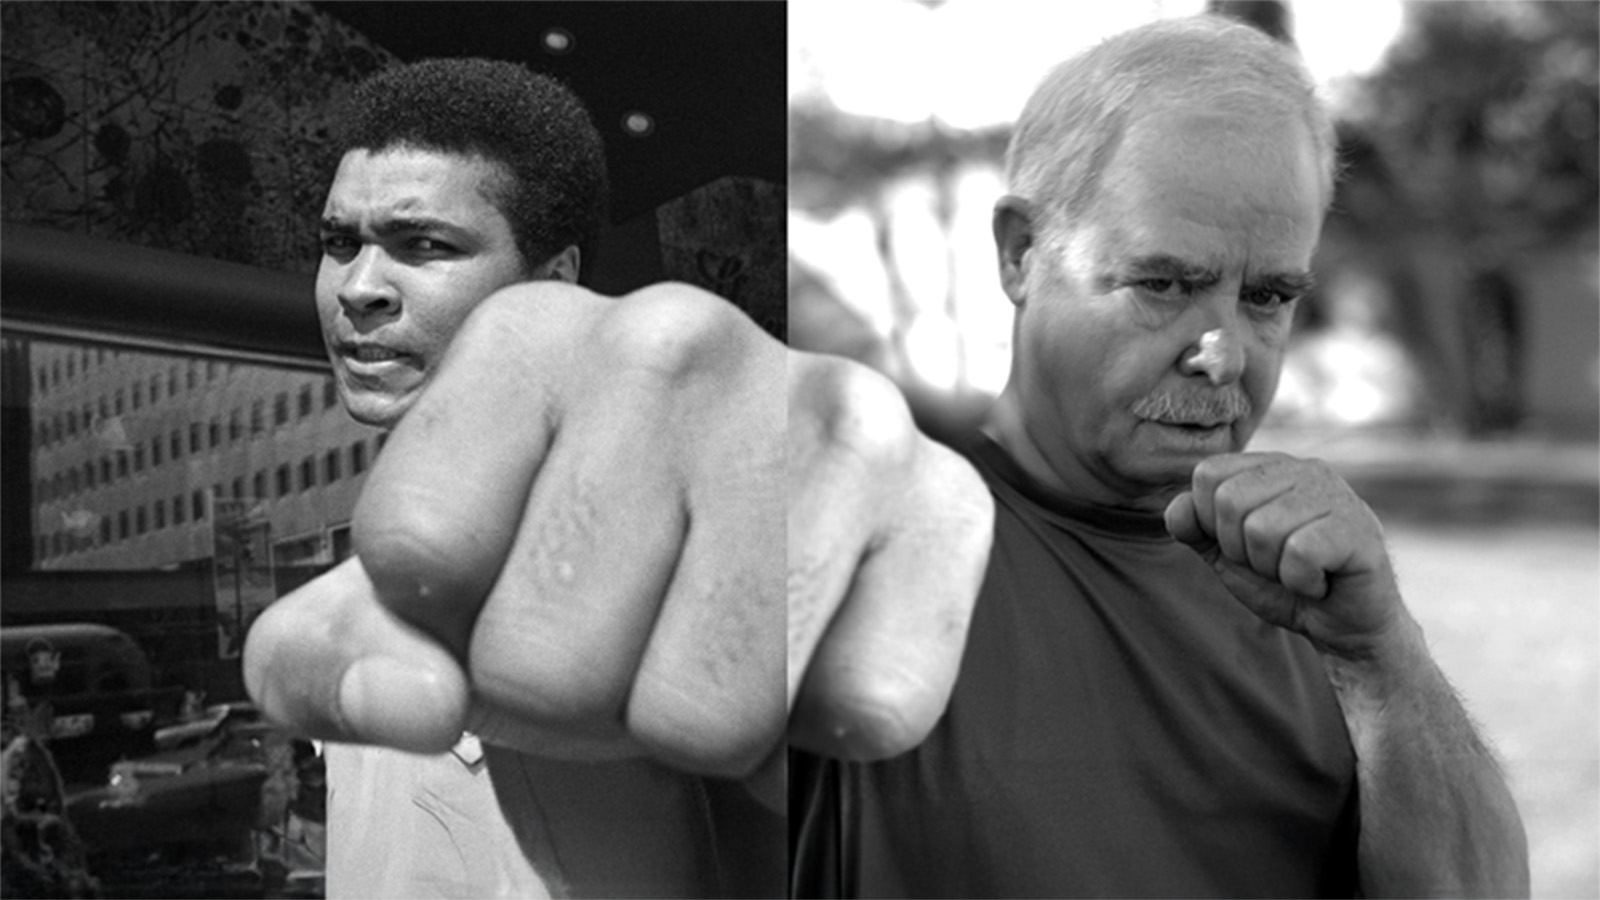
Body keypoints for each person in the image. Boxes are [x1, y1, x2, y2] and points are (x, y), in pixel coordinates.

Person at [787, 15, 1529, 897]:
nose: (1222, 351)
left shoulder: (1309, 593)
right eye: (1163, 284)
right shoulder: (869, 544)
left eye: (1267, 297)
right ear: (1022, 254)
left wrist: (1381, 655)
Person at [242, 58, 784, 897]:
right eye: (340, 243)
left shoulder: (633, 534)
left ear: (554, 281)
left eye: (425, 245)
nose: (359, 288)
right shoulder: (387, 539)